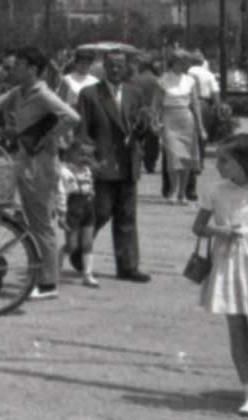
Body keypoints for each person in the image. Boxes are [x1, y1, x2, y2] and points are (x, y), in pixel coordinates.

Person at [0, 46, 80, 300]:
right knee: (30, 220)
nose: (13, 69)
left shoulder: (43, 94)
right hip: (24, 161)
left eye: (18, 66)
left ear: (32, 70)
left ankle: (48, 283)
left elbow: (72, 117)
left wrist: (49, 137)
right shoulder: (19, 92)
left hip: (41, 165)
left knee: (42, 223)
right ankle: (40, 273)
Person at [190, 133, 248, 416]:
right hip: (228, 262)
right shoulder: (215, 191)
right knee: (237, 329)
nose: (218, 165)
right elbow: (198, 227)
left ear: (246, 162)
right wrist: (222, 231)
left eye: (224, 160)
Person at [76, 53, 151, 283]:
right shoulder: (90, 94)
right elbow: (82, 131)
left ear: (126, 67)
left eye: (120, 66)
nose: (115, 70)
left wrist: (144, 125)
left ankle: (128, 266)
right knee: (101, 211)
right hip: (103, 162)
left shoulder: (134, 93)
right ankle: (79, 248)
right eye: (111, 66)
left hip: (128, 161)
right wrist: (89, 159)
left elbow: (140, 128)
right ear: (104, 68)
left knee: (126, 215)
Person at [155, 51, 205, 206]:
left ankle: (182, 193)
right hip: (169, 119)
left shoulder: (190, 80)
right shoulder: (163, 80)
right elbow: (156, 103)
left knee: (186, 159)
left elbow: (195, 105)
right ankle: (172, 191)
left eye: (185, 62)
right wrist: (155, 121)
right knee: (173, 158)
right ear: (173, 62)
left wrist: (201, 127)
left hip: (186, 120)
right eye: (181, 62)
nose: (184, 65)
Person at [58, 138, 98, 288]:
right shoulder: (65, 172)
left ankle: (87, 274)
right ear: (71, 153)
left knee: (88, 243)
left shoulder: (87, 170)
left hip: (88, 208)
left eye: (89, 155)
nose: (85, 158)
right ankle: (57, 264)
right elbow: (62, 193)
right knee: (72, 245)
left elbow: (90, 185)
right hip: (73, 209)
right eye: (81, 154)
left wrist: (91, 192)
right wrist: (62, 213)